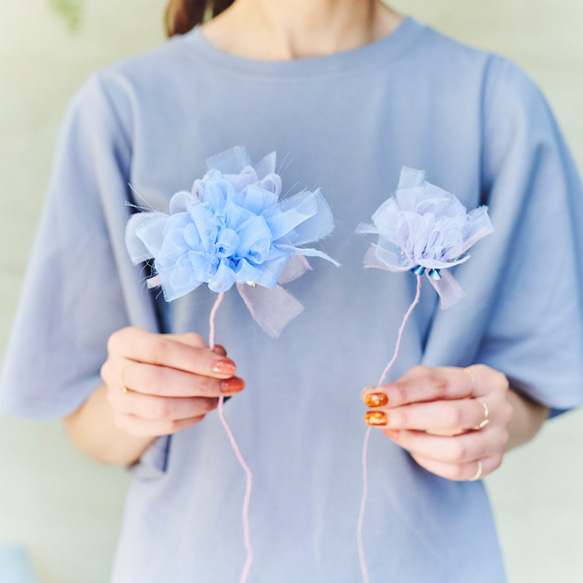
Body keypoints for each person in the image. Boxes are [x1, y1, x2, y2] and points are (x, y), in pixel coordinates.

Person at [1, 0, 582, 581]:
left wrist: (490, 416)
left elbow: (535, 385)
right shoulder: (120, 108)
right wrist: (133, 402)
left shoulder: (495, 102)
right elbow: (85, 421)